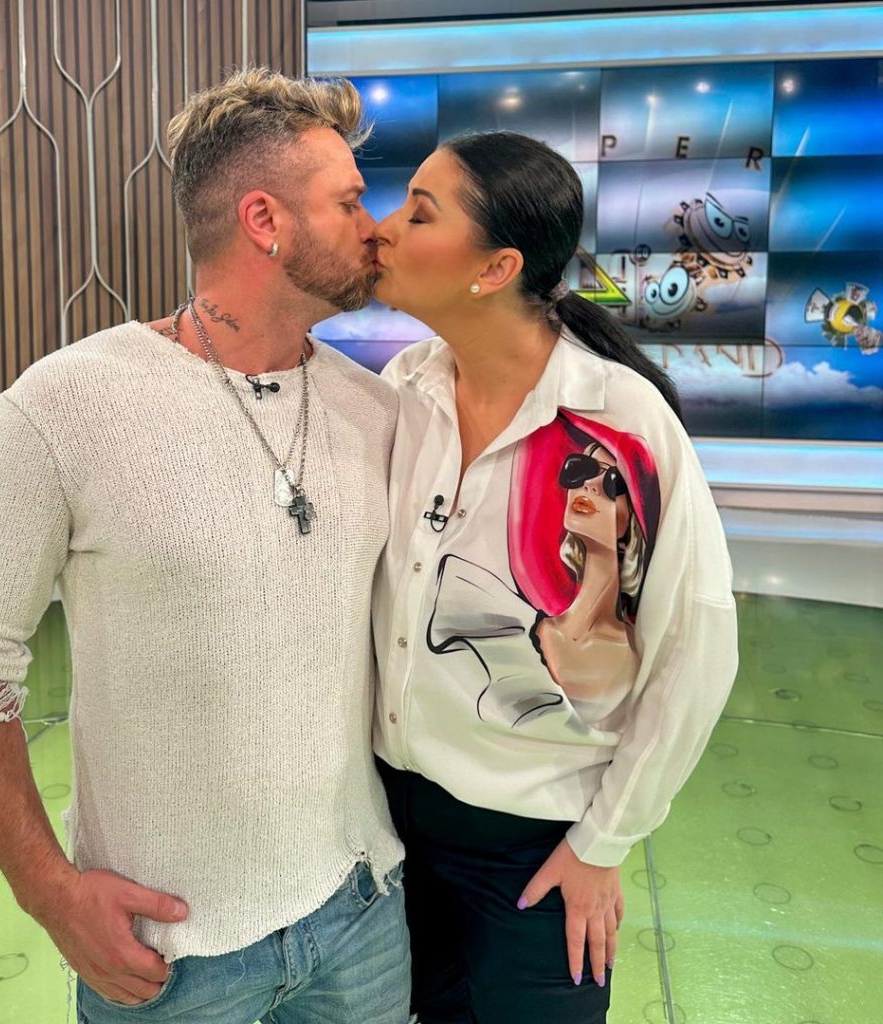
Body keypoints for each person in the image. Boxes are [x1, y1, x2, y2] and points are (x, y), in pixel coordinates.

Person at [0, 69, 411, 1024]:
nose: (373, 226)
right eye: (349, 202)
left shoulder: (376, 411)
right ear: (264, 220)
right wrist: (48, 891)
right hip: (163, 952)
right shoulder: (67, 404)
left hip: (360, 911)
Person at [370, 130, 739, 1023]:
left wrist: (605, 841)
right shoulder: (405, 388)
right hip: (391, 827)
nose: (382, 228)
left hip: (537, 849)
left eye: (419, 213)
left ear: (494, 269)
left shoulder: (618, 424)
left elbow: (696, 649)